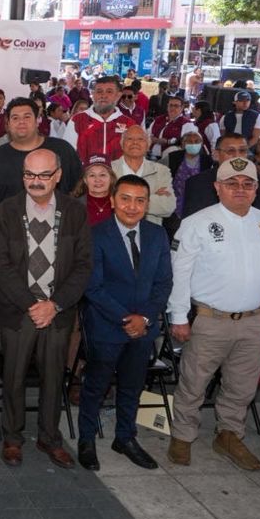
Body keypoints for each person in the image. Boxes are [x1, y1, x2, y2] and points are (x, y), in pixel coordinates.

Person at [166, 157, 260, 471]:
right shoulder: (196, 223)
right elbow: (180, 275)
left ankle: (228, 435)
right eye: (231, 183)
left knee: (242, 386)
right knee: (193, 383)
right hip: (210, 320)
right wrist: (178, 317)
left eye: (247, 184)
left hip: (254, 321)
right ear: (217, 187)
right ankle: (183, 436)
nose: (240, 189)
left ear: (256, 189)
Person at [0, 146, 92, 468]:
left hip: (58, 313)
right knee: (14, 376)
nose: (35, 181)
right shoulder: (6, 210)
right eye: (29, 175)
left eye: (43, 175)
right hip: (19, 312)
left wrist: (55, 304)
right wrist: (32, 304)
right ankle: (13, 437)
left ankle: (50, 437)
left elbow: (83, 265)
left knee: (53, 378)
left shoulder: (75, 212)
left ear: (58, 176)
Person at [78, 175, 172, 471]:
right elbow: (92, 287)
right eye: (126, 199)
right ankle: (86, 439)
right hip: (107, 326)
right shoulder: (96, 235)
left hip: (143, 328)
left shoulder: (157, 235)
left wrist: (143, 318)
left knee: (132, 385)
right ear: (112, 201)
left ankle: (125, 437)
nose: (132, 206)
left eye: (140, 200)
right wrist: (124, 318)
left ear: (147, 203)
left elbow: (163, 282)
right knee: (96, 385)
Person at [0, 98, 82, 203]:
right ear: (8, 124)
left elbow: (79, 186)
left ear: (37, 121)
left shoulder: (63, 150)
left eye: (27, 117)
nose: (21, 122)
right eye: (15, 118)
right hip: (9, 218)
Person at [183, 132, 260, 218]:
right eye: (230, 151)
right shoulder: (196, 184)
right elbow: (191, 223)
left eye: (242, 151)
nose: (237, 156)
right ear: (216, 154)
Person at [112, 125, 175, 220]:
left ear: (148, 145)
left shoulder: (161, 171)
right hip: (113, 230)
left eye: (141, 139)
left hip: (150, 231)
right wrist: (150, 198)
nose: (135, 142)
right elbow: (104, 203)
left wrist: (122, 199)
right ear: (122, 144)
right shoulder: (108, 170)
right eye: (129, 139)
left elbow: (168, 206)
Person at [75, 156, 115, 225]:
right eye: (92, 175)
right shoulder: (73, 206)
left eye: (102, 175)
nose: (97, 179)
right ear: (85, 180)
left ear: (111, 178)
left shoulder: (121, 204)